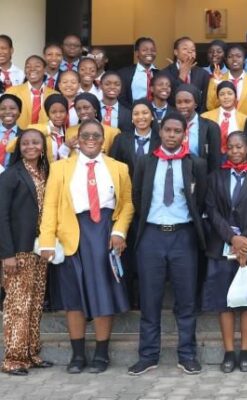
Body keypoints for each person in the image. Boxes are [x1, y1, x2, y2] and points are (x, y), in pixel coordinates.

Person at [39, 119, 134, 374]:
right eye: (85, 136)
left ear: (103, 141)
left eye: (96, 136)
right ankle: (78, 354)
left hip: (104, 234)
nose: (91, 139)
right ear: (77, 140)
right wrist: (47, 241)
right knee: (74, 298)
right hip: (72, 235)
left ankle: (101, 353)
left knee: (103, 293)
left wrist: (119, 231)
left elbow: (127, 204)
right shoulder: (60, 168)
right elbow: (50, 206)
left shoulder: (119, 167)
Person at [128, 112, 208, 376]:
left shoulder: (195, 163)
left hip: (183, 236)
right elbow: (137, 196)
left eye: (177, 131)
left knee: (186, 300)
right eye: (168, 130)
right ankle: (148, 355)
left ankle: (187, 355)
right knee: (150, 299)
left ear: (184, 134)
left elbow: (200, 200)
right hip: (151, 235)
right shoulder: (145, 162)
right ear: (160, 132)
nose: (172, 135)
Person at [203, 131, 247, 373]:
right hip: (222, 245)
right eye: (230, 147)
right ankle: (228, 352)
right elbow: (212, 210)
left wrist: (245, 242)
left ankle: (245, 351)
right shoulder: (215, 177)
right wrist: (232, 238)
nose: (235, 151)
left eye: (239, 147)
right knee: (224, 301)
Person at [0, 128, 53, 375]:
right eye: (25, 143)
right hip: (17, 251)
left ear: (43, 147)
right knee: (17, 305)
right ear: (19, 148)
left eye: (35, 143)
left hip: (39, 250)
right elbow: (1, 216)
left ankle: (31, 353)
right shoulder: (11, 175)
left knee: (35, 303)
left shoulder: (45, 172)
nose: (30, 146)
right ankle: (13, 359)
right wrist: (7, 254)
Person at [108, 99, 160, 309]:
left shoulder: (161, 139)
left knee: (149, 253)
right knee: (127, 253)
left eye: (145, 113)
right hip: (126, 203)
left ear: (152, 116)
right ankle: (128, 299)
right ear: (131, 118)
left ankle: (147, 299)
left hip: (153, 204)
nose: (141, 117)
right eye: (136, 114)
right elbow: (112, 167)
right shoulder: (122, 139)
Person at [173, 84, 221, 172]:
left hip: (201, 176)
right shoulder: (169, 126)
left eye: (187, 101)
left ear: (195, 104)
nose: (182, 106)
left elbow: (215, 162)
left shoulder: (211, 127)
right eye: (179, 102)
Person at [206, 45, 247, 117]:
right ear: (226, 60)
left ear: (244, 59)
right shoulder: (216, 80)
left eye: (238, 56)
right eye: (230, 57)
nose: (234, 59)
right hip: (222, 122)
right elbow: (210, 106)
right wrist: (217, 83)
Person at [5, 55, 57, 129]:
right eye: (28, 66)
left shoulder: (55, 95)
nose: (32, 69)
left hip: (46, 136)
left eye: (37, 66)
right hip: (17, 135)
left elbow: (56, 123)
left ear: (45, 69)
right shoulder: (12, 92)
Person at [160, 37, 210, 113]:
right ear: (176, 52)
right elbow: (167, 99)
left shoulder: (203, 74)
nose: (190, 51)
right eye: (185, 49)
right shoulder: (164, 74)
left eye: (193, 50)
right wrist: (182, 76)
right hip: (173, 116)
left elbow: (204, 102)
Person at [202, 81, 247, 158]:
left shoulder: (245, 119)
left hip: (236, 159)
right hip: (211, 158)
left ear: (235, 96)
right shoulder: (205, 117)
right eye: (222, 94)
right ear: (218, 97)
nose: (226, 97)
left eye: (230, 93)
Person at [118, 37, 158, 107]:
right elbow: (121, 99)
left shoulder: (160, 74)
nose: (149, 53)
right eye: (145, 50)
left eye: (153, 50)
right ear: (137, 53)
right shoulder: (124, 74)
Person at [0, 93, 22, 168]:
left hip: (12, 174)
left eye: (12, 108)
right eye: (3, 109)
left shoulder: (24, 135)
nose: (7, 112)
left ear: (19, 112)